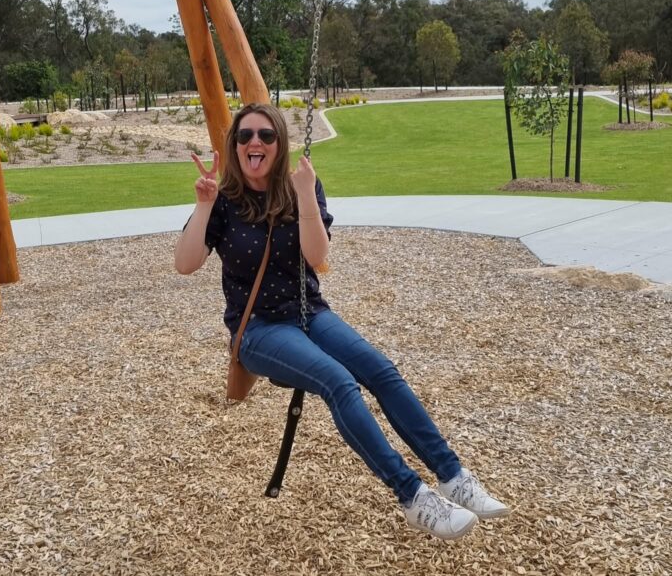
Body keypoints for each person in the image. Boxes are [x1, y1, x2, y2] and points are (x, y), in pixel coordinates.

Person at [175, 102, 510, 541]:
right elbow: (186, 264)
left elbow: (318, 256)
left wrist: (306, 195)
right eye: (244, 136)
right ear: (235, 145)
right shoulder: (224, 201)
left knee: (381, 371)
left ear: (279, 143)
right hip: (258, 329)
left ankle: (453, 476)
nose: (254, 143)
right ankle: (414, 497)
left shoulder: (302, 187)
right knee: (338, 381)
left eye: (265, 135)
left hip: (310, 313)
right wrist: (202, 205)